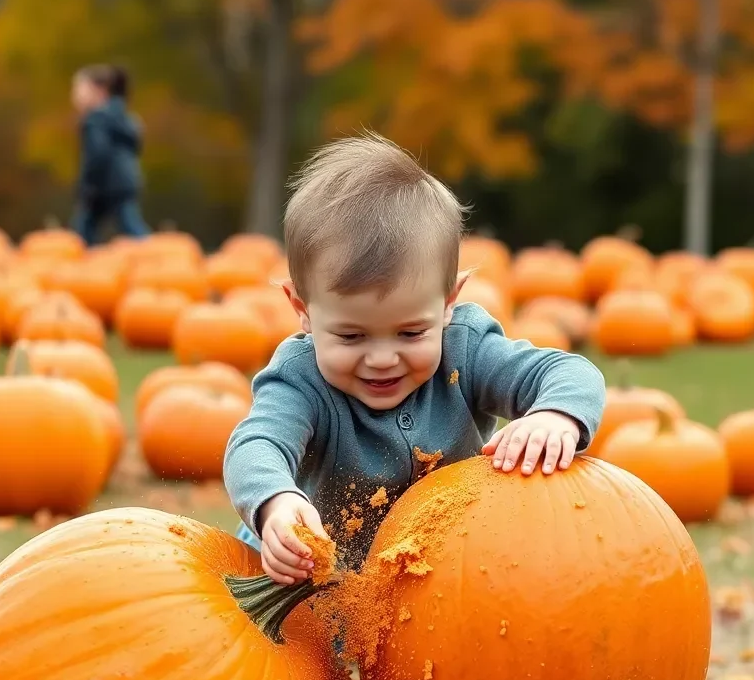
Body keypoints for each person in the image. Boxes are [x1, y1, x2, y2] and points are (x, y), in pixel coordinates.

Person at [224, 134, 606, 585]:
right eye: (350, 336)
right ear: (302, 310)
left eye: (411, 332)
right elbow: (256, 444)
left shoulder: (465, 348)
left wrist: (555, 415)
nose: (383, 359)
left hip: (439, 580)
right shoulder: (301, 379)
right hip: (311, 582)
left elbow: (569, 372)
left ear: (448, 302)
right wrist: (275, 504)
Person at [70, 64, 150, 245]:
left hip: (105, 184)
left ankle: (152, 255)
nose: (74, 96)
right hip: (126, 181)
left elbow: (97, 155)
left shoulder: (95, 120)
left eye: (79, 89)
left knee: (85, 229)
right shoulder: (123, 117)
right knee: (125, 222)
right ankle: (149, 252)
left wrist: (87, 185)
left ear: (99, 91)